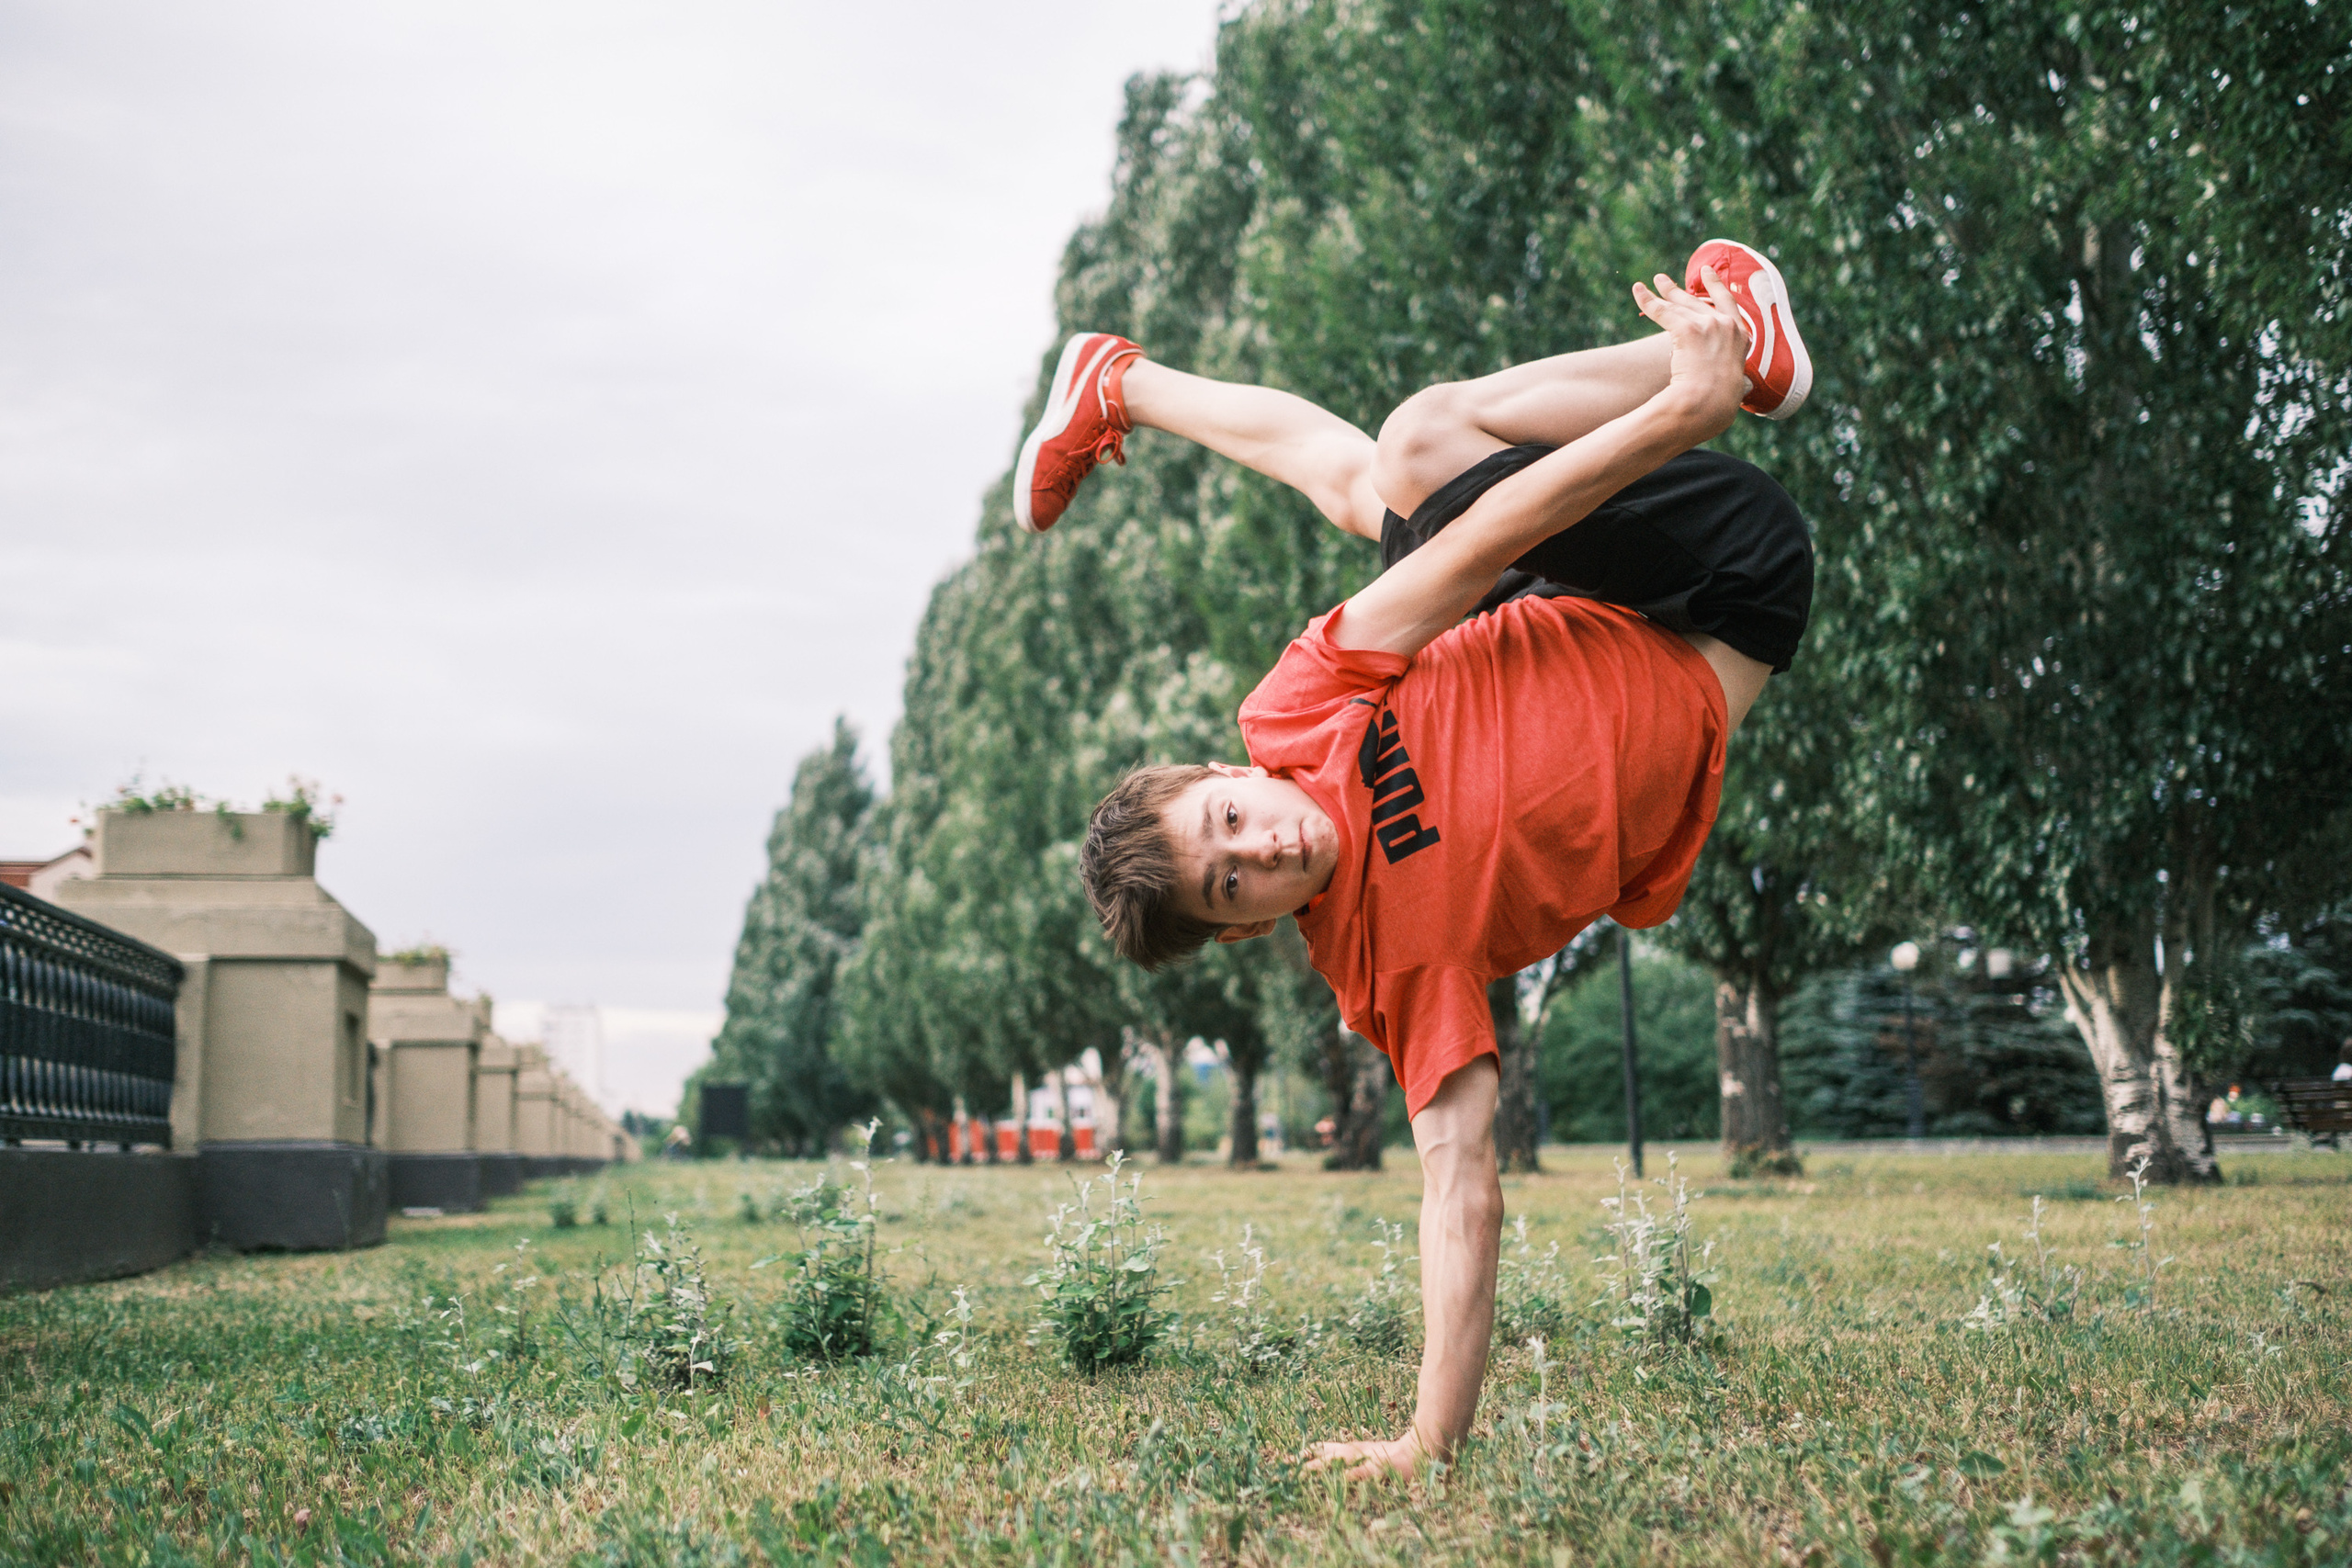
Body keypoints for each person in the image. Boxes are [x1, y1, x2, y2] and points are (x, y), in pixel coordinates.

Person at [1021, 239, 1815, 1480]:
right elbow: (1460, 1194)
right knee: (1406, 466)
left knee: (1399, 468)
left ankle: (1123, 385)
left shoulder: (1293, 715)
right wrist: (1427, 1439)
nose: (1266, 843)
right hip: (1722, 600)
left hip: (1595, 577)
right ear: (1241, 928)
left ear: (1223, 771)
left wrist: (1684, 409)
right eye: (1236, 880)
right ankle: (1118, 385)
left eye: (1232, 819)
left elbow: (1476, 544)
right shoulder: (1392, 968)